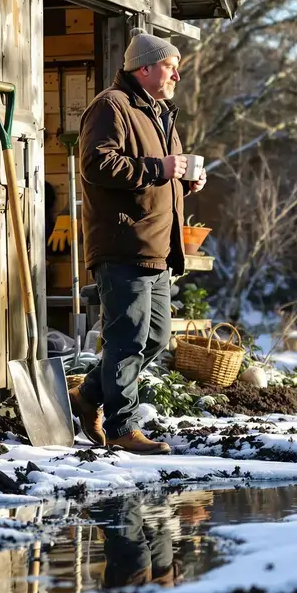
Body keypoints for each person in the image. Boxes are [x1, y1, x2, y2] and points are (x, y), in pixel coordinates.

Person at [68, 29, 206, 454]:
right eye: (169, 66)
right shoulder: (111, 106)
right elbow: (97, 163)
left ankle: (87, 396)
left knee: (155, 338)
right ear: (143, 68)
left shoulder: (160, 113)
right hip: (123, 242)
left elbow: (157, 177)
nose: (176, 76)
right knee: (127, 339)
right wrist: (159, 168)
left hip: (157, 248)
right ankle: (122, 428)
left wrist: (185, 182)